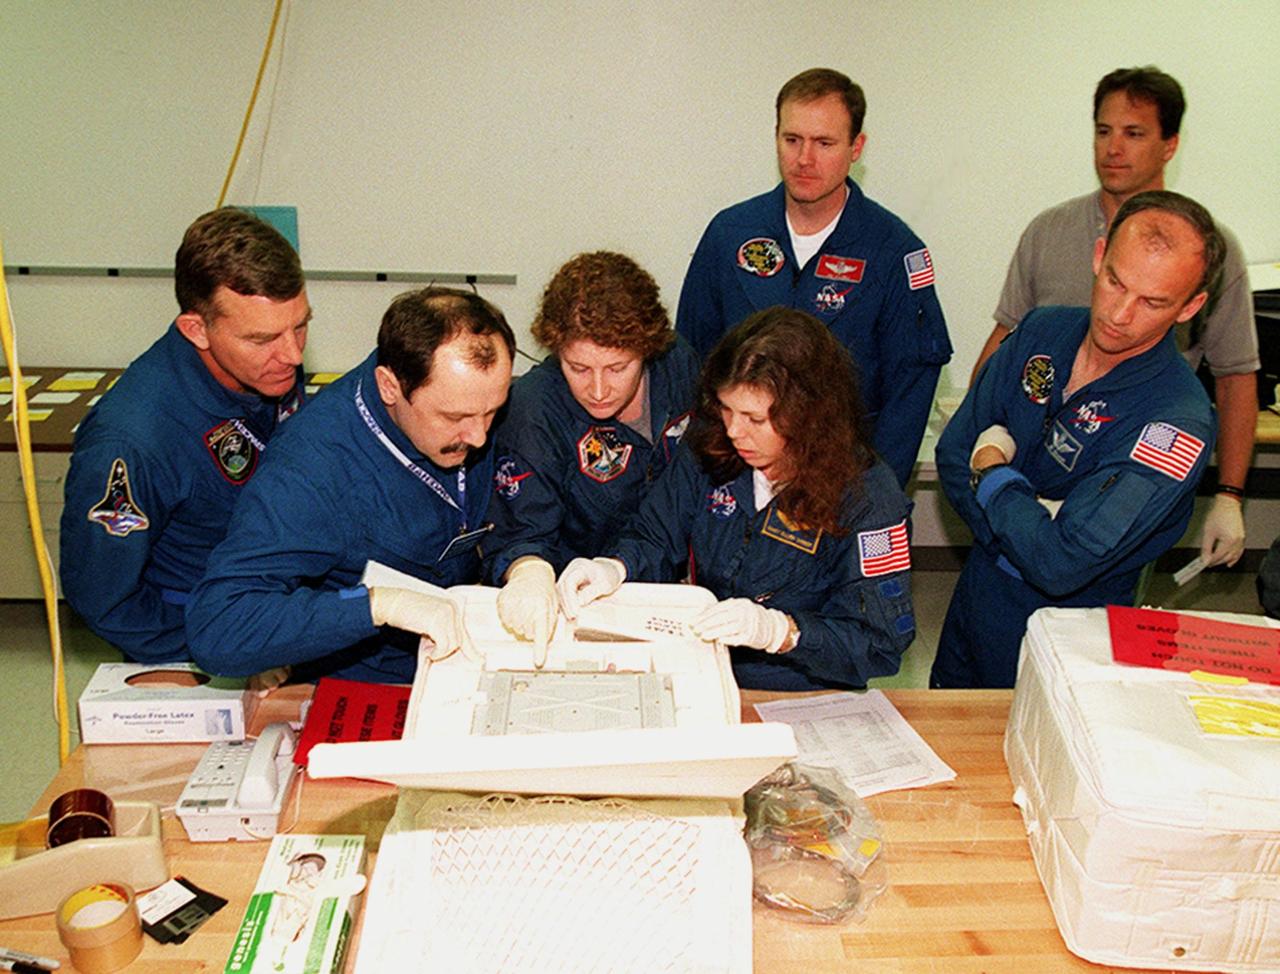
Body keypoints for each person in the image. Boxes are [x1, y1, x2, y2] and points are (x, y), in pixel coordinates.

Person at [934, 191, 1223, 688]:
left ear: (1189, 307)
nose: (1120, 313)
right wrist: (1031, 521)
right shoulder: (1042, 331)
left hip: (1069, 630)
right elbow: (954, 453)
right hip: (977, 597)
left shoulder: (1175, 421)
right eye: (1115, 281)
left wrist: (994, 471)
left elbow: (1061, 563)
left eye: (1152, 302)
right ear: (1099, 255)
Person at [972, 66, 1257, 569]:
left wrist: (1229, 494)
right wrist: (978, 429)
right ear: (1100, 257)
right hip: (1022, 466)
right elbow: (1005, 340)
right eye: (1103, 131)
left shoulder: (1210, 251)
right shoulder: (1050, 230)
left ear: (1170, 145)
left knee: (1093, 591)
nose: (1113, 148)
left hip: (1121, 475)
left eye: (1134, 133)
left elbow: (1235, 376)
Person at [557, 306, 915, 691]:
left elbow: (878, 645)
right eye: (726, 410)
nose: (734, 432)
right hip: (702, 666)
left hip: (801, 688)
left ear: (809, 415)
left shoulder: (868, 496)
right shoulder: (711, 448)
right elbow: (655, 535)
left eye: (755, 419)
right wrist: (614, 566)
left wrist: (781, 631)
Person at [185, 287, 514, 683]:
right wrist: (376, 606)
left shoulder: (462, 397)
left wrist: (527, 565)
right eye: (454, 418)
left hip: (467, 647)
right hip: (370, 676)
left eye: (492, 411)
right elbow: (218, 626)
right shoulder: (313, 469)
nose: (478, 436)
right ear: (389, 387)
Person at [675, 67, 952, 486]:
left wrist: (873, 497)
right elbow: (691, 360)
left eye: (824, 143)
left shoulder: (892, 251)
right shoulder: (729, 234)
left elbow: (909, 395)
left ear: (856, 147)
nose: (805, 159)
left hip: (841, 478)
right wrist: (702, 477)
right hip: (733, 475)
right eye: (792, 140)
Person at [60, 207, 309, 666]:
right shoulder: (133, 440)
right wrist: (228, 644)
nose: (292, 355)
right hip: (197, 637)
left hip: (274, 601)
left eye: (301, 325)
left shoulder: (267, 368)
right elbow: (105, 600)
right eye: (263, 339)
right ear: (197, 330)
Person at [487, 252, 699, 660]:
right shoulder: (534, 410)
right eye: (578, 368)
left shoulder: (679, 366)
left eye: (618, 368)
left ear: (648, 349)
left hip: (665, 589)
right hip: (575, 602)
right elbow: (522, 531)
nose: (598, 390)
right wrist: (528, 571)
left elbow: (694, 486)